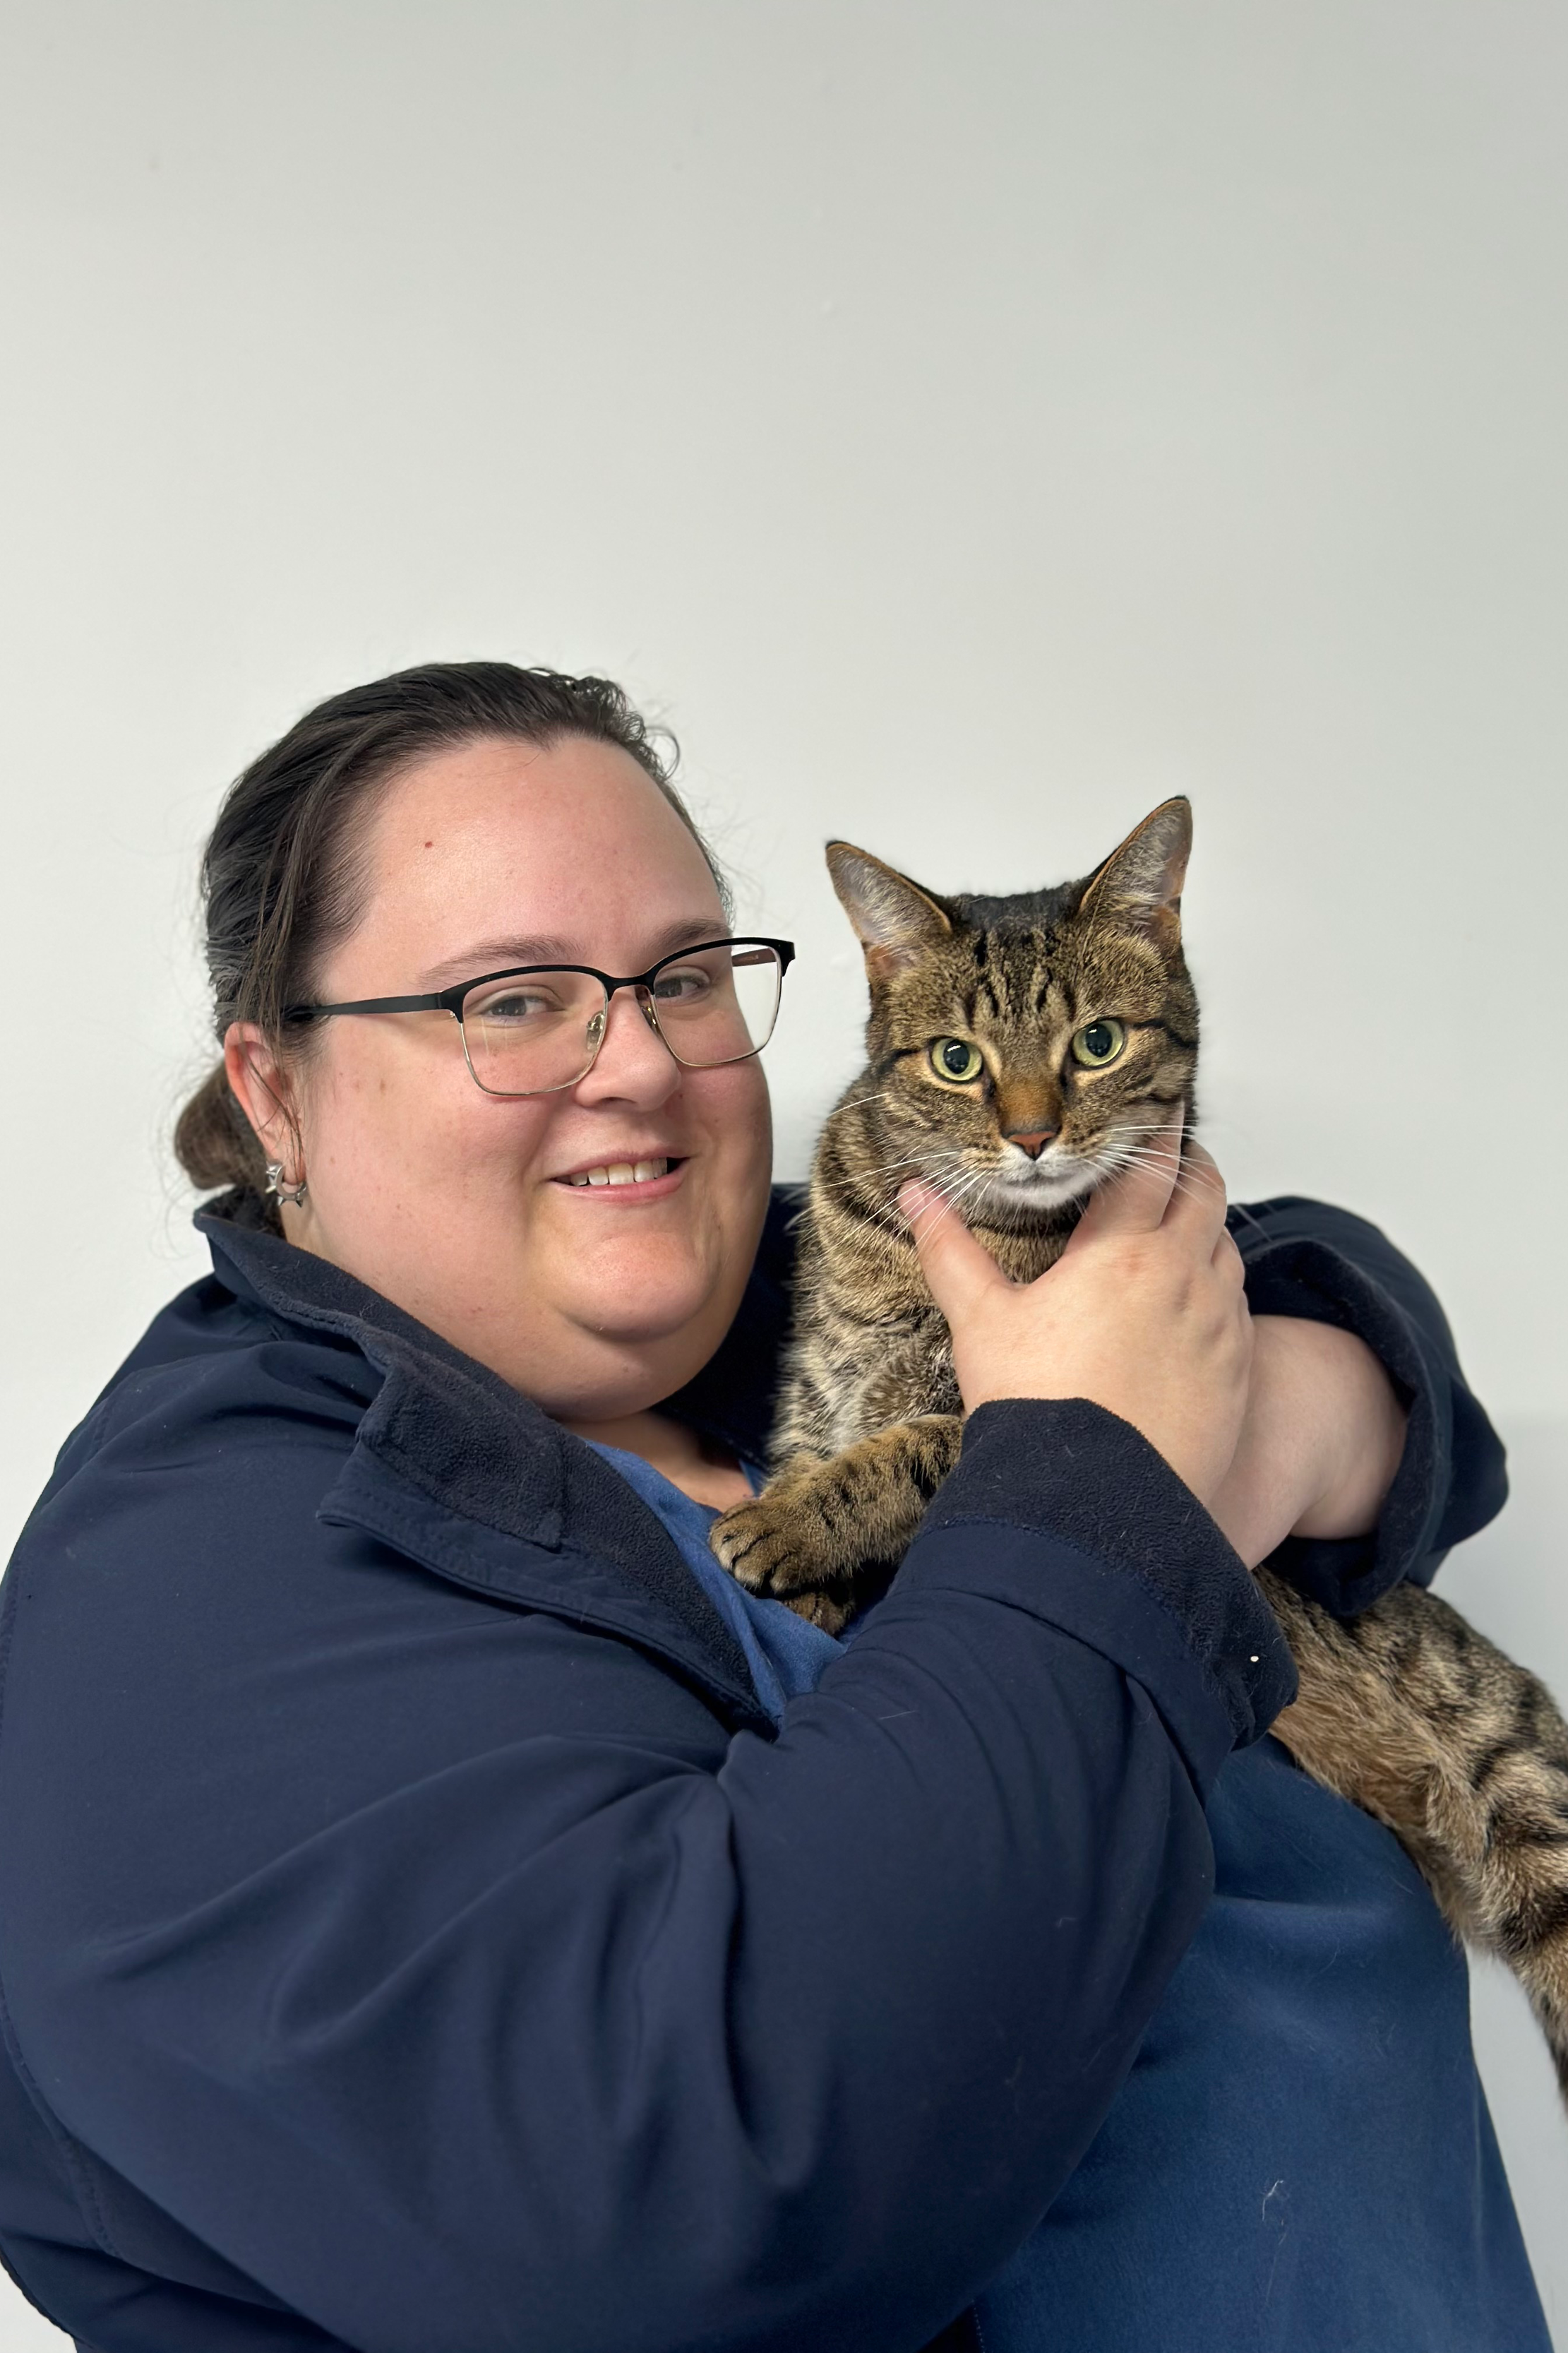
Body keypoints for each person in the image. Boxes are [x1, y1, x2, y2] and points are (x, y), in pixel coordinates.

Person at [0, 662, 1543, 2353]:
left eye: (685, 974)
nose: (640, 1065)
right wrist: (1104, 1480)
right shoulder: (170, 1609)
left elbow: (1322, 1308)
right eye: (512, 1000)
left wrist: (1303, 1414)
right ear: (276, 1088)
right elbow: (727, 2195)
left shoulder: (770, 1296)